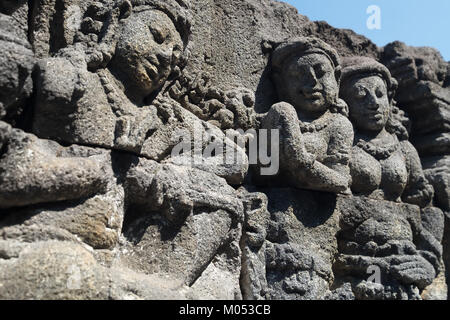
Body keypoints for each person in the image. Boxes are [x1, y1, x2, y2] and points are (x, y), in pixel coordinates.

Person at [259, 37, 353, 194]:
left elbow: (341, 181)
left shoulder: (338, 124)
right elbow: (263, 171)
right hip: (268, 197)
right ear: (280, 83)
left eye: (321, 73)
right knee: (282, 110)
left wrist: (300, 162)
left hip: (316, 210)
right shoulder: (277, 115)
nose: (312, 82)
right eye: (298, 74)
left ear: (336, 79)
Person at [339, 56, 433, 207]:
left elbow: (422, 199)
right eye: (361, 96)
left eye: (380, 94)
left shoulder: (404, 149)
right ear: (344, 102)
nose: (374, 103)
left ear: (389, 99)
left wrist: (422, 194)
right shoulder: (341, 143)